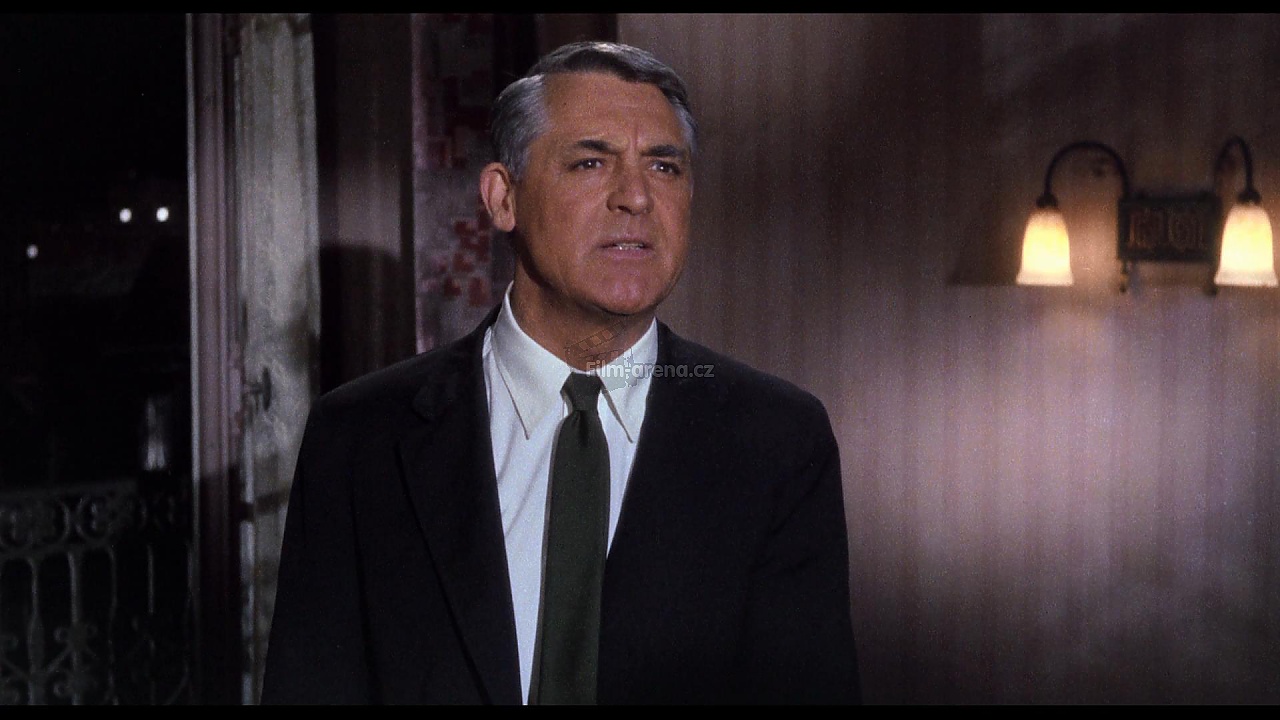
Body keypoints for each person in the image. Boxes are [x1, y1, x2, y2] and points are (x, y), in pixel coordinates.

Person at [260, 40, 861, 705]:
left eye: (664, 166)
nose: (636, 196)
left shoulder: (778, 443)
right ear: (503, 198)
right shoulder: (360, 438)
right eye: (590, 162)